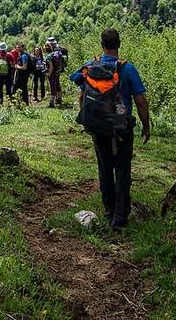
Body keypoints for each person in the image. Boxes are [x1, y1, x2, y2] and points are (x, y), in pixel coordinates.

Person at [71, 28, 150, 230]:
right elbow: (141, 101)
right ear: (119, 44)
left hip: (98, 127)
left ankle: (108, 210)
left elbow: (82, 97)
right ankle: (120, 216)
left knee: (105, 168)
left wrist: (88, 120)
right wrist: (146, 125)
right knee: (123, 170)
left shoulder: (91, 67)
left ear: (102, 45)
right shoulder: (128, 69)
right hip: (122, 127)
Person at [46, 42, 66, 107]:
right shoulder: (55, 54)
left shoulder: (49, 56)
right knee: (57, 85)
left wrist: (49, 74)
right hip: (57, 72)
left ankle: (52, 102)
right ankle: (59, 99)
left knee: (53, 87)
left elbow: (51, 67)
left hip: (52, 73)